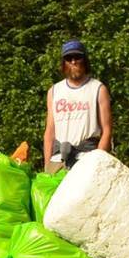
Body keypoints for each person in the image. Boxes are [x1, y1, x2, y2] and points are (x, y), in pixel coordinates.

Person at [42, 38, 112, 171]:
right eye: (69, 58)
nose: (73, 62)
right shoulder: (54, 91)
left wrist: (98, 163)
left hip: (87, 159)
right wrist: (47, 164)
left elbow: (107, 130)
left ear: (84, 60)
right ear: (64, 63)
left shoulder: (98, 89)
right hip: (58, 160)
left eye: (77, 57)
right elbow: (49, 131)